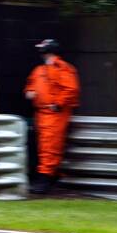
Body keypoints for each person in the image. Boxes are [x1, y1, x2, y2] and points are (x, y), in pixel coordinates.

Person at [24, 38, 80, 194]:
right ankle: (51, 176)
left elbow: (71, 90)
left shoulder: (63, 68)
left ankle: (45, 178)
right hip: (41, 113)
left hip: (55, 113)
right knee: (44, 146)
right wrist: (30, 93)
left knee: (50, 146)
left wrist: (58, 104)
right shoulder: (39, 70)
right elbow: (30, 86)